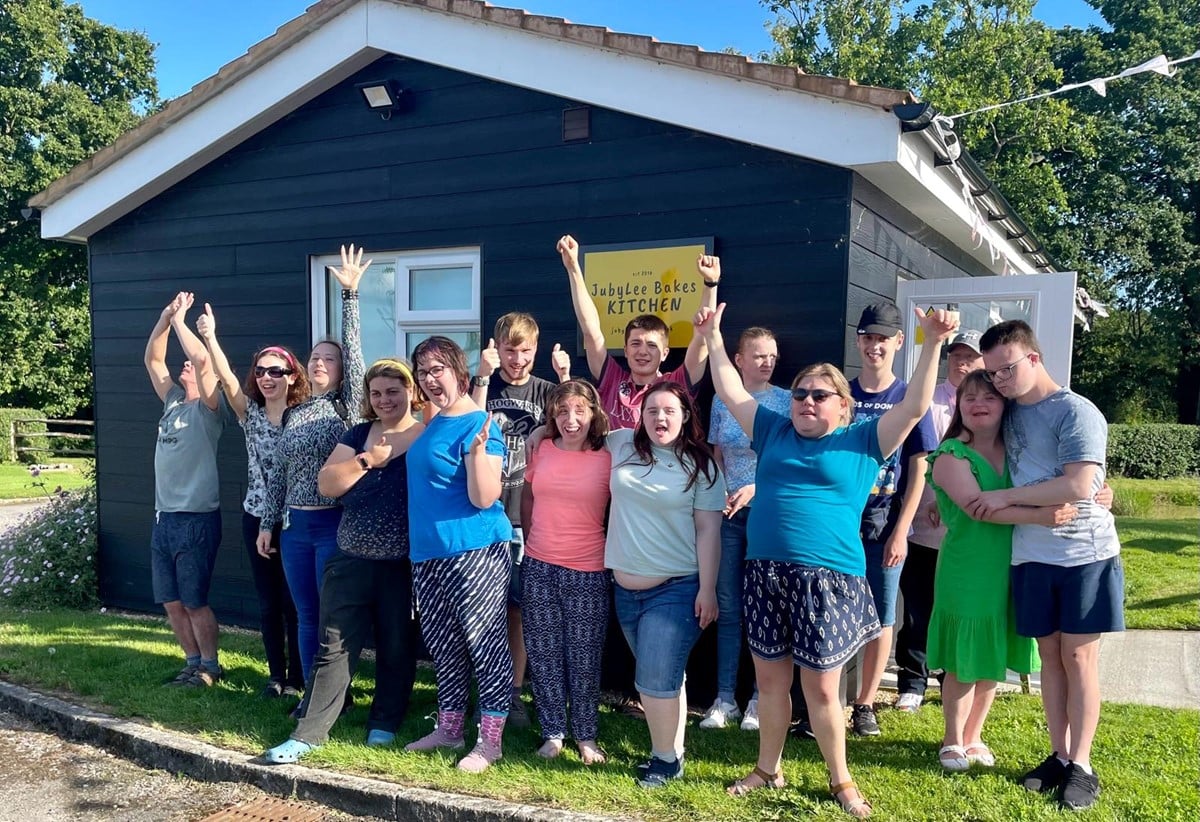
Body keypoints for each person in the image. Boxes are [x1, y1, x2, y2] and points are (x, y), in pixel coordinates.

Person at [697, 298, 959, 818]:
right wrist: (711, 338)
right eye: (799, 394)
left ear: (843, 405)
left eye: (819, 394)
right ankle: (767, 768)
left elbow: (913, 408)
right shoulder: (772, 429)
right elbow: (728, 387)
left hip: (829, 580)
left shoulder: (864, 439)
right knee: (770, 682)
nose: (806, 402)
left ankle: (841, 780)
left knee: (820, 687)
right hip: (766, 574)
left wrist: (931, 345)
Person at [971, 320, 1124, 811]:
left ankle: (1083, 765)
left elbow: (1080, 485)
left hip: (1085, 553)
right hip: (1031, 554)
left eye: (1007, 369)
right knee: (1050, 659)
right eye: (993, 373)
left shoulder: (1077, 411)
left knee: (1079, 659)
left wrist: (1006, 497)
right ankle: (1059, 754)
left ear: (1033, 358)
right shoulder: (1007, 412)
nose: (1000, 381)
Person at [262, 359, 424, 763]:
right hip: (349, 557)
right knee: (332, 646)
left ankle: (384, 722)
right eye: (376, 393)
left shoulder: (425, 434)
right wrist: (369, 459)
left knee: (395, 646)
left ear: (410, 391)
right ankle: (308, 733)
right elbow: (327, 483)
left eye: (393, 390)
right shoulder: (357, 435)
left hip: (400, 564)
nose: (384, 399)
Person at [926, 368, 1077, 772]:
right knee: (964, 660)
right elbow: (978, 509)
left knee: (992, 655)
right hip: (967, 570)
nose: (978, 404)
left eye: (989, 397)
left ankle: (974, 736)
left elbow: (1064, 478)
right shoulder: (950, 456)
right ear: (958, 405)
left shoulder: (1017, 451)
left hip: (1011, 565)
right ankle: (952, 739)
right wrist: (1042, 516)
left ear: (1004, 404)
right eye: (969, 397)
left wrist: (1096, 488)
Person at [604, 381, 724, 787]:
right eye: (652, 410)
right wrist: (536, 433)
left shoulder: (702, 466)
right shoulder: (620, 445)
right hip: (625, 591)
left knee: (654, 680)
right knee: (665, 678)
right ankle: (675, 751)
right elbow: (574, 428)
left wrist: (708, 590)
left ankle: (665, 760)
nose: (660, 418)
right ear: (640, 414)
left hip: (675, 589)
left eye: (670, 410)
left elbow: (709, 531)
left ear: (686, 416)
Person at [403, 336, 514, 773]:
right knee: (444, 646)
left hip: (475, 552)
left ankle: (491, 742)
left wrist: (475, 454)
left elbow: (485, 497)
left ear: (457, 370)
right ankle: (449, 730)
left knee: (484, 646)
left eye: (437, 369)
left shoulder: (479, 424)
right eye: (423, 372)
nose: (430, 380)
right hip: (429, 554)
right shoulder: (435, 421)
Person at [257, 244, 366, 687]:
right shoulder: (295, 412)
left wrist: (350, 296)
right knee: (305, 615)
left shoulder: (347, 406)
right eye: (315, 357)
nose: (320, 362)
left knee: (331, 619)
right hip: (295, 529)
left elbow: (358, 360)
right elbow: (279, 475)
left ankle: (335, 694)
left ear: (342, 370)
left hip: (333, 526)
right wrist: (268, 523)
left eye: (329, 358)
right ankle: (308, 693)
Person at [196, 304, 308, 698]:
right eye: (261, 371)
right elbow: (226, 378)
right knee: (267, 603)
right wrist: (210, 336)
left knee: (296, 602)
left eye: (275, 371)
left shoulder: (305, 417)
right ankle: (276, 677)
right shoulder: (251, 414)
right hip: (256, 517)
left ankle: (299, 677)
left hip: (297, 521)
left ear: (292, 375)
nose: (266, 378)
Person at [470, 313, 571, 727]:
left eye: (525, 349)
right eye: (510, 349)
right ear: (497, 347)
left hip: (529, 517)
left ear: (535, 348)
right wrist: (480, 377)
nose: (517, 358)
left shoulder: (548, 391)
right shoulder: (484, 387)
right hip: (484, 514)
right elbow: (468, 426)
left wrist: (566, 379)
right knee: (481, 610)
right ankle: (482, 690)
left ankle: (511, 694)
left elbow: (575, 429)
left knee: (519, 610)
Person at [846, 302, 938, 737]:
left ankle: (864, 704)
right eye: (867, 337)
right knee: (838, 609)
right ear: (858, 340)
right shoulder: (841, 394)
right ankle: (829, 699)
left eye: (883, 338)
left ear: (899, 342)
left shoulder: (906, 396)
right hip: (841, 523)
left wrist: (904, 528)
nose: (874, 345)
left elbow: (921, 464)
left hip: (886, 523)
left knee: (882, 615)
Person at [700, 326, 791, 732]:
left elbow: (788, 461)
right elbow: (718, 455)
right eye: (758, 355)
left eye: (772, 355)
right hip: (729, 516)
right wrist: (720, 492)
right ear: (738, 360)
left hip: (769, 514)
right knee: (729, 605)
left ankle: (759, 699)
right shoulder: (723, 401)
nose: (767, 361)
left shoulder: (788, 402)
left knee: (767, 609)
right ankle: (724, 698)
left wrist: (755, 489)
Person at [519, 379, 612, 764]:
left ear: (594, 413)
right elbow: (527, 498)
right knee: (543, 654)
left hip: (588, 569)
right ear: (551, 416)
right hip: (539, 565)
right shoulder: (540, 447)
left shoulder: (611, 453)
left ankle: (586, 735)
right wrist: (532, 544)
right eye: (561, 412)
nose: (571, 419)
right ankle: (553, 732)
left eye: (579, 411)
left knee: (584, 656)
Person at [143, 292, 233, 688]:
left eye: (194, 367)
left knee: (195, 600)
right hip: (164, 519)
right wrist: (165, 316)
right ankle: (190, 663)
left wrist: (182, 322)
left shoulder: (209, 410)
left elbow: (200, 359)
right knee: (171, 600)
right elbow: (152, 360)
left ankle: (210, 668)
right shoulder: (173, 401)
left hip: (196, 519)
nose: (186, 365)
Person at [894, 329, 984, 711]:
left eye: (970, 357)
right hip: (924, 524)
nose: (962, 362)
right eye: (957, 355)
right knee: (917, 608)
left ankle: (952, 678)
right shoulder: (927, 398)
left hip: (966, 531)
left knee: (954, 607)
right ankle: (912, 683)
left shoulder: (989, 405)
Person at [556, 234, 718, 428]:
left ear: (665, 353)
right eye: (635, 343)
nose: (642, 351)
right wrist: (573, 267)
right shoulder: (612, 380)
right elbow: (590, 331)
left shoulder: (676, 384)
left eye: (652, 345)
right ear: (625, 350)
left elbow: (702, 339)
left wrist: (711, 284)